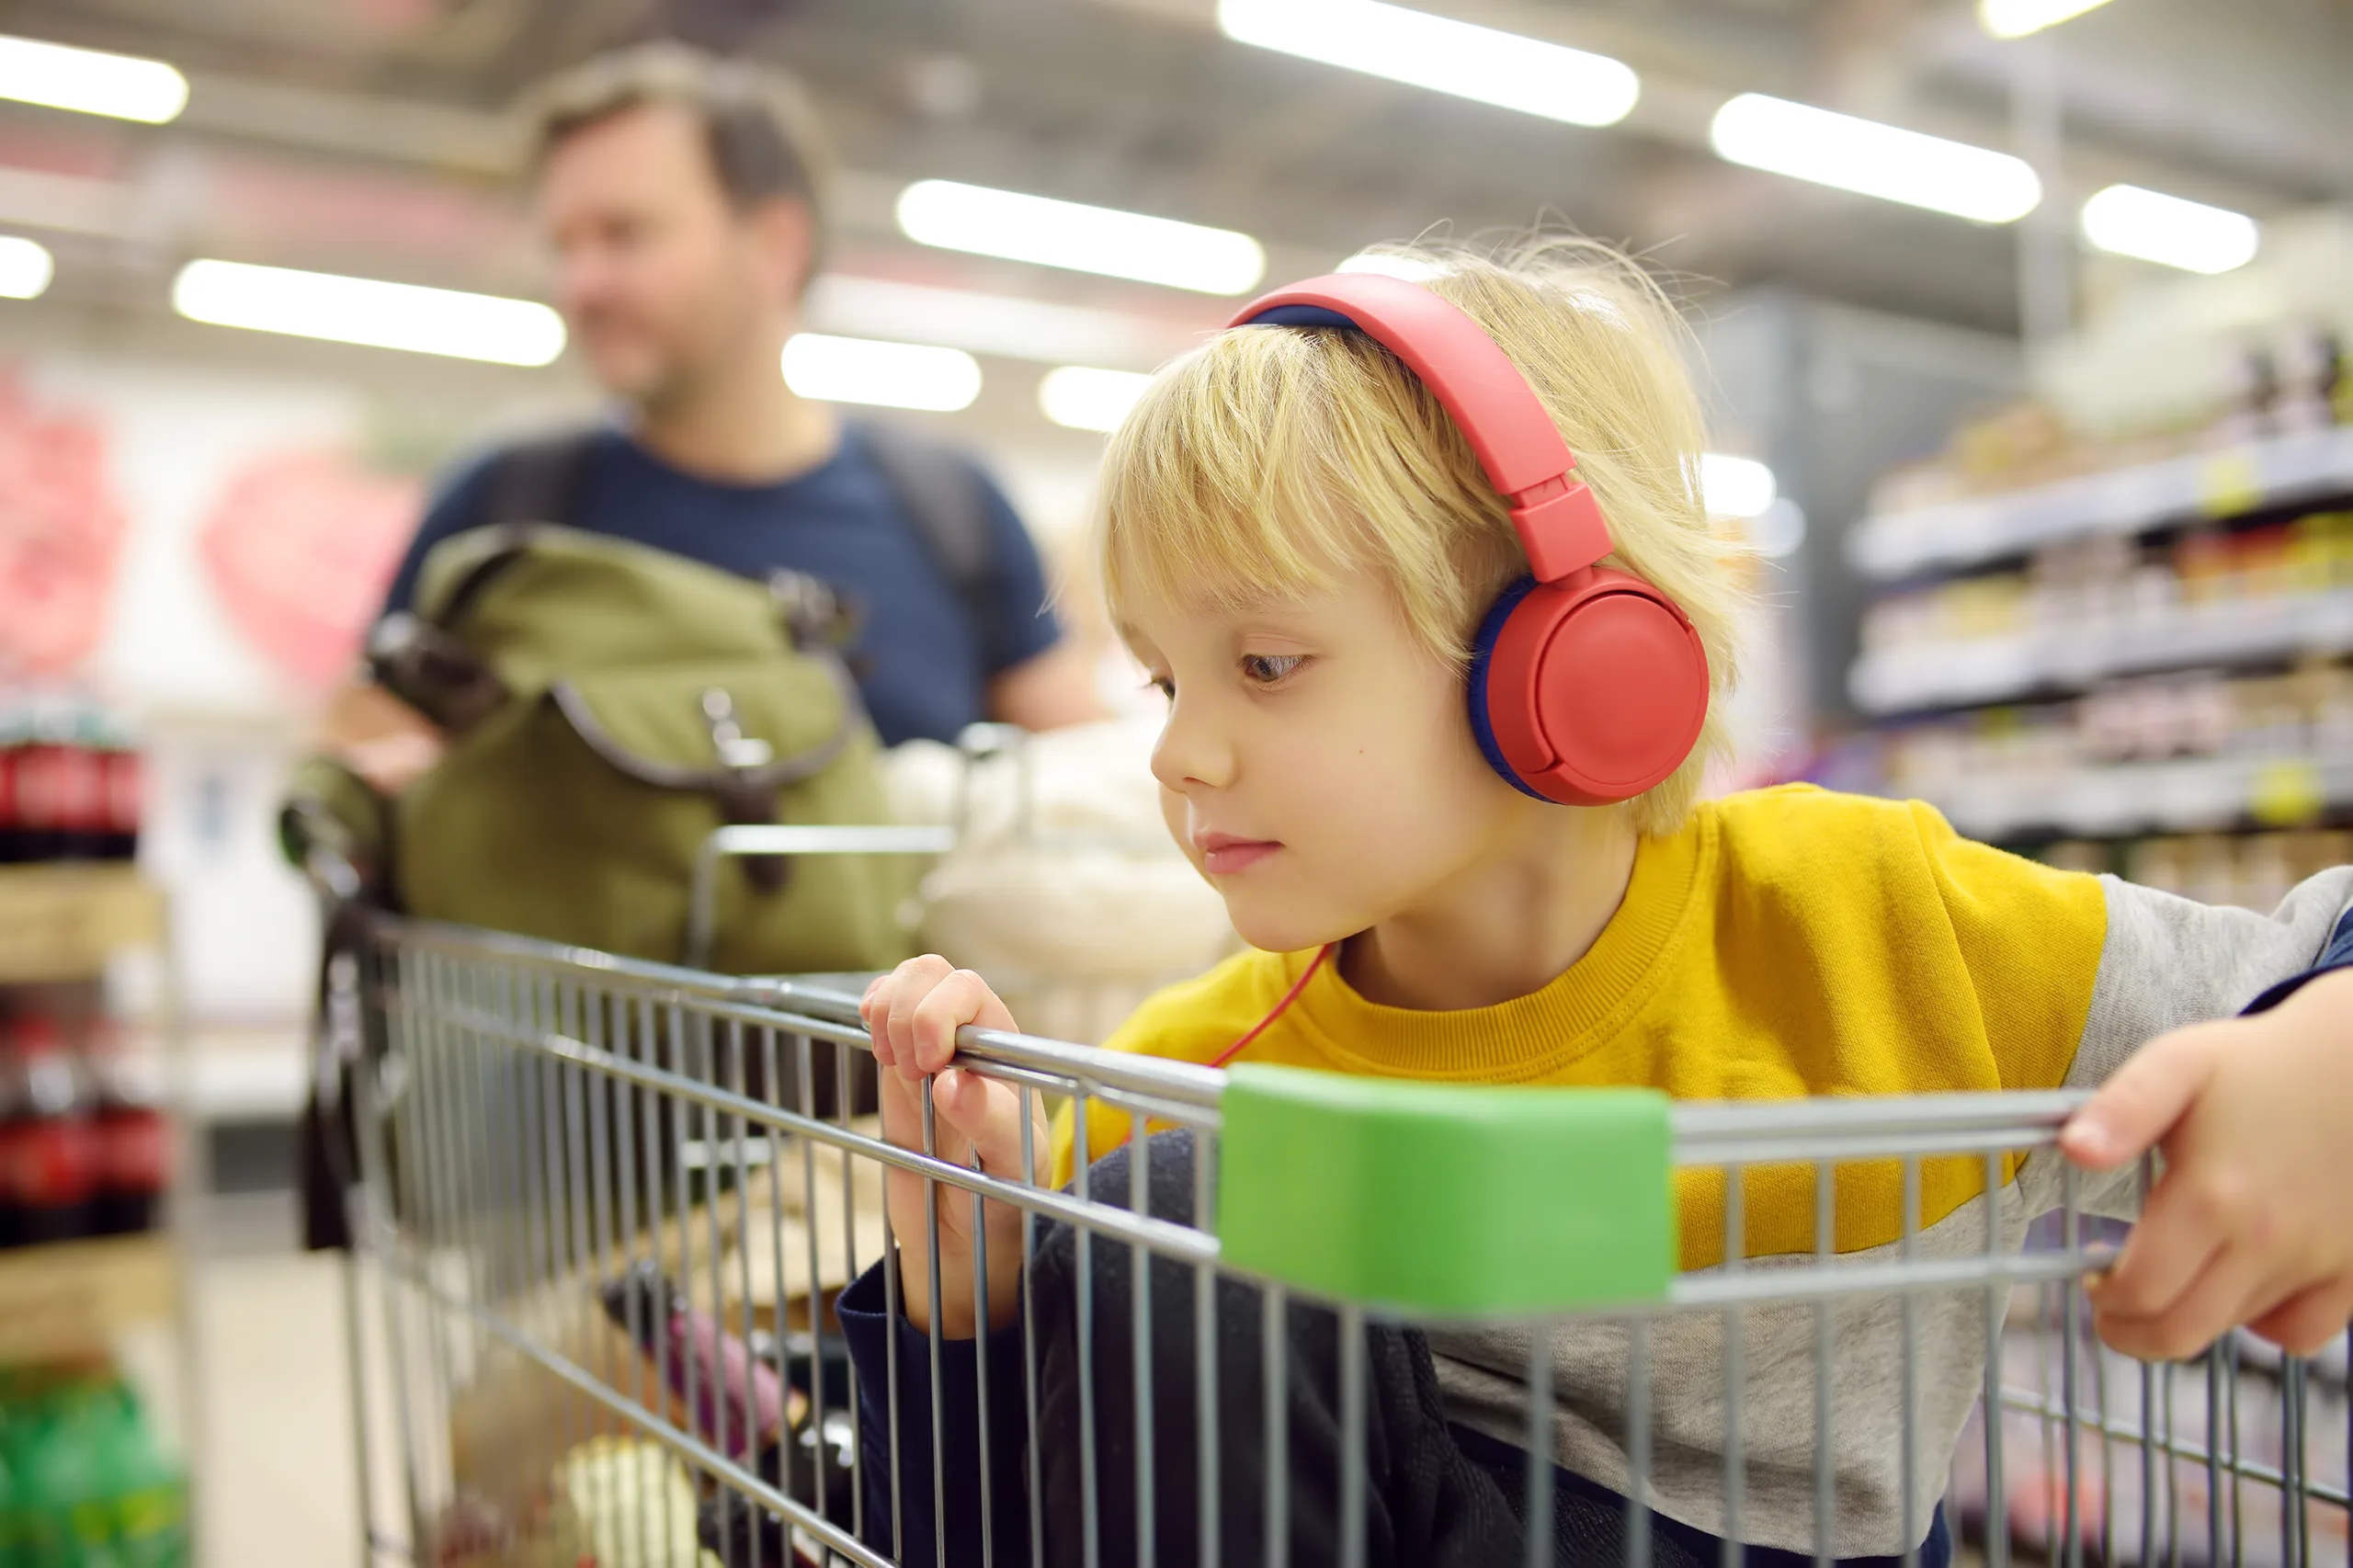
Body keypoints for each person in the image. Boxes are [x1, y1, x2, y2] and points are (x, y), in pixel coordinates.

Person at [839, 238, 2353, 1565]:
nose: (1178, 748)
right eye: (1165, 675)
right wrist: (962, 1295)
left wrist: (2326, 1048)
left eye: (1268, 664)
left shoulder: (1876, 928)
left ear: (1576, 654)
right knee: (1167, 1204)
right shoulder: (1183, 1079)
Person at [320, 42, 1100, 795]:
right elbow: (355, 755)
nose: (578, 284)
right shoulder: (505, 508)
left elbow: (1088, 793)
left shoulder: (951, 512)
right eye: (563, 244)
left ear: (774, 243)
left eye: (625, 234)